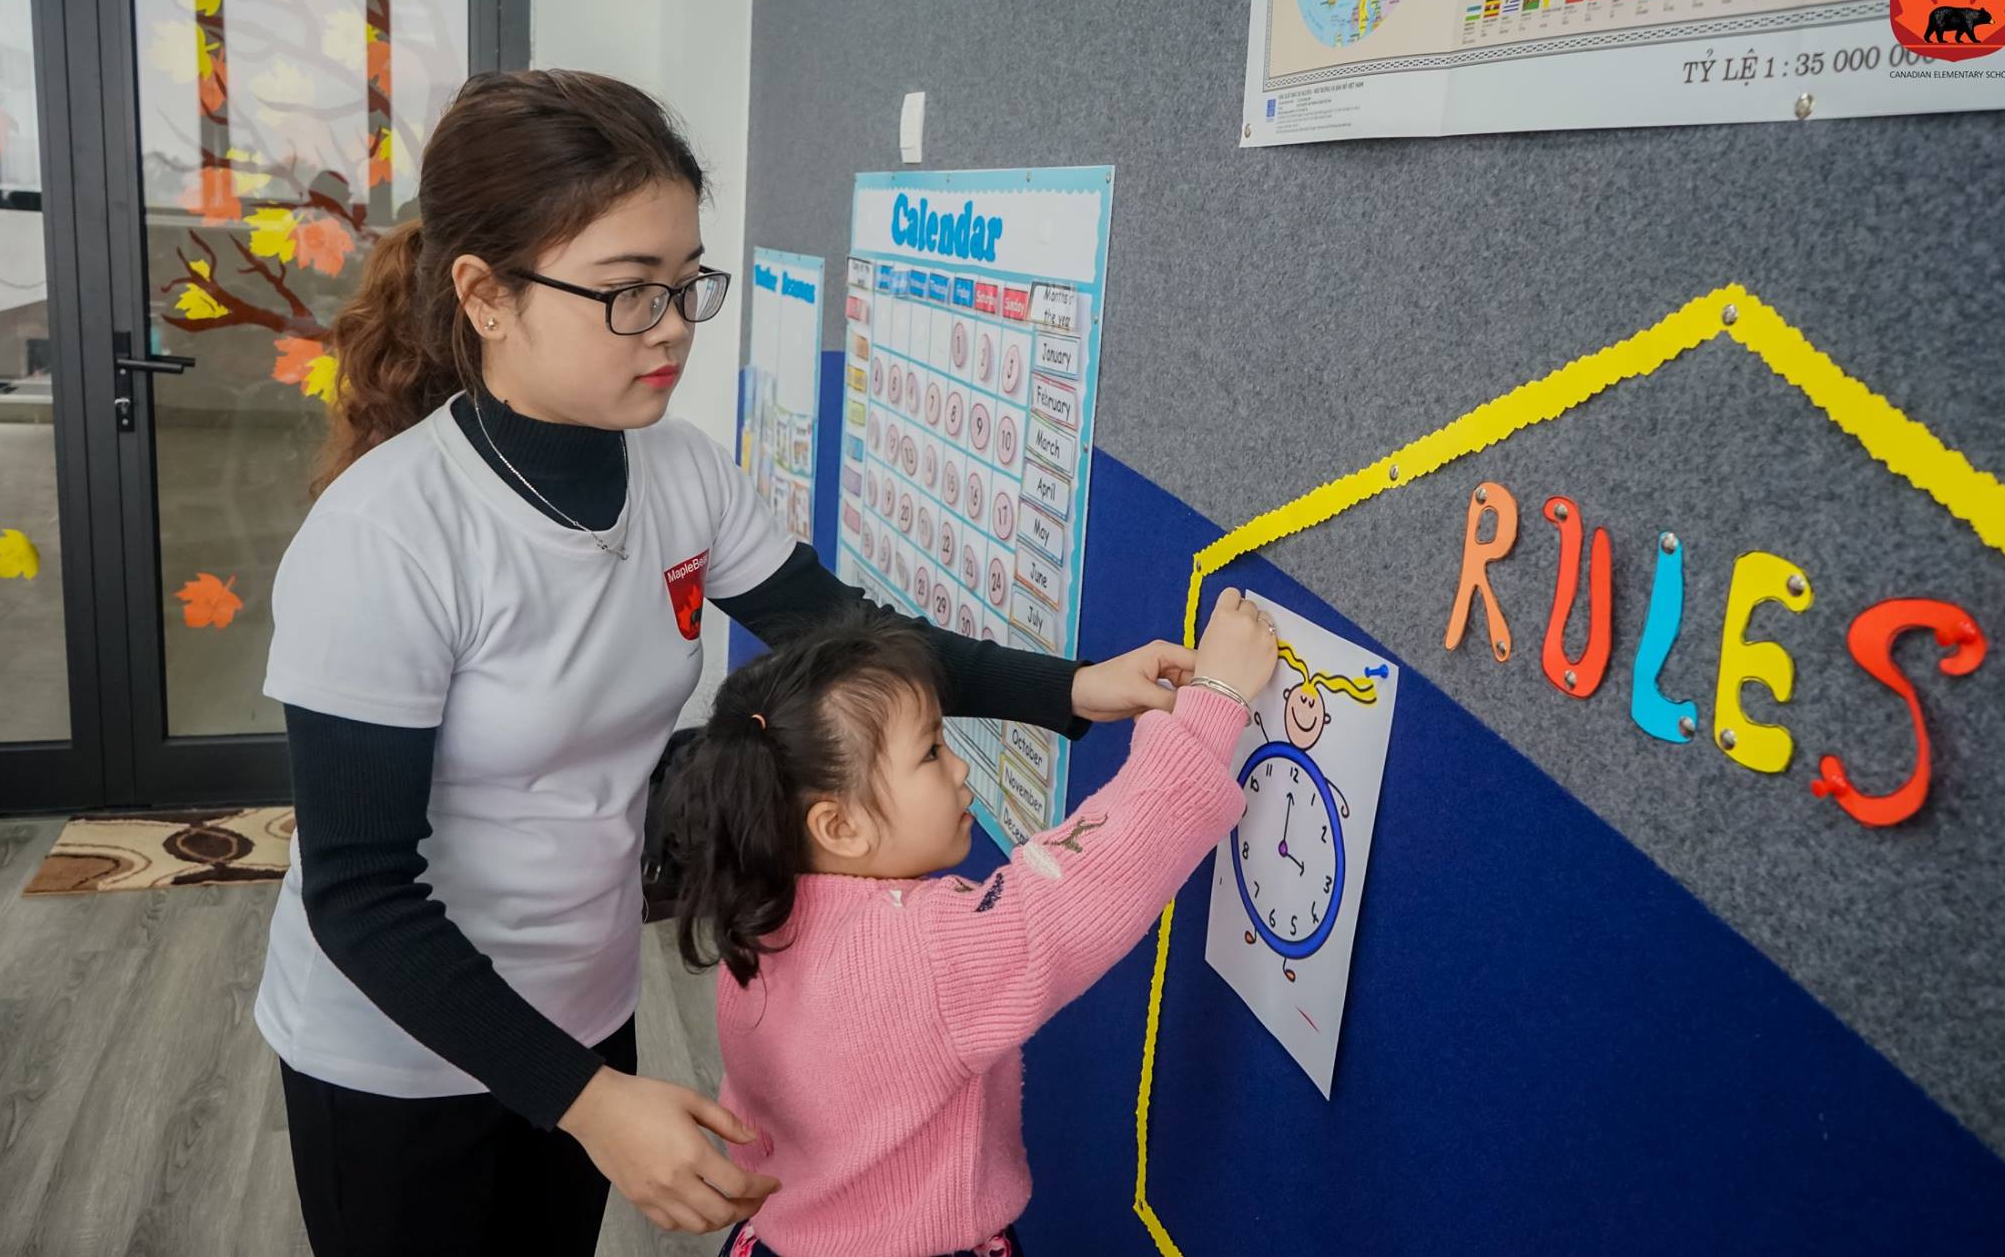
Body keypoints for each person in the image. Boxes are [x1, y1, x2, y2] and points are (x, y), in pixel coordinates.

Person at [255, 69, 1194, 1255]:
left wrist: (1066, 689)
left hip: (584, 1008)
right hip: (396, 1054)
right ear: (485, 297)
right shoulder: (386, 537)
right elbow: (360, 894)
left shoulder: (681, 473)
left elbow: (845, 638)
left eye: (684, 285)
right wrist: (588, 1106)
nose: (670, 332)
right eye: (624, 295)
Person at [671, 588, 1280, 1256]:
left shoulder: (760, 913)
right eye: (931, 751)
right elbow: (1076, 891)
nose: (959, 768)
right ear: (839, 826)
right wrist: (1214, 701)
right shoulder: (916, 952)